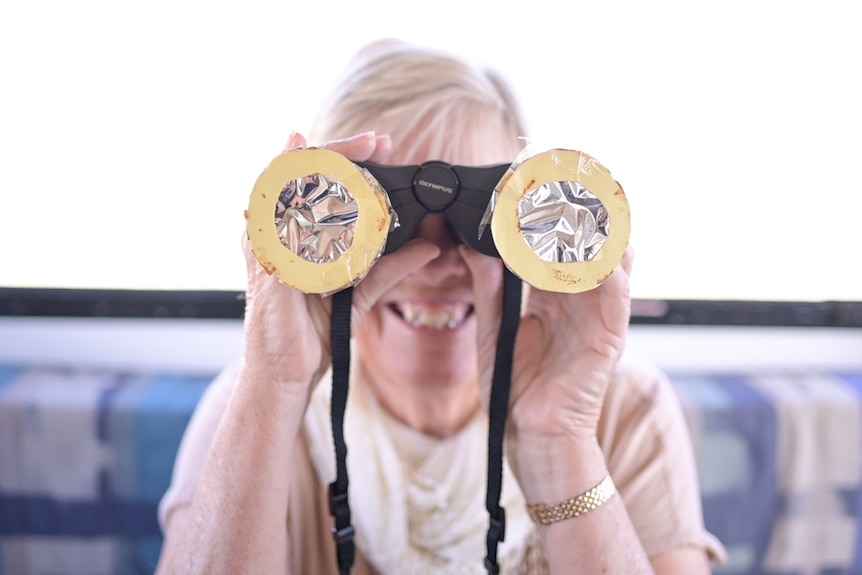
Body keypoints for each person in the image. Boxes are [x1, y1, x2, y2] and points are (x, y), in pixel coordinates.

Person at [155, 39, 726, 574]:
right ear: (316, 249)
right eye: (383, 232)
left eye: (484, 225)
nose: (434, 265)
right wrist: (274, 381)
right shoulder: (255, 406)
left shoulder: (620, 407)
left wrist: (561, 439)